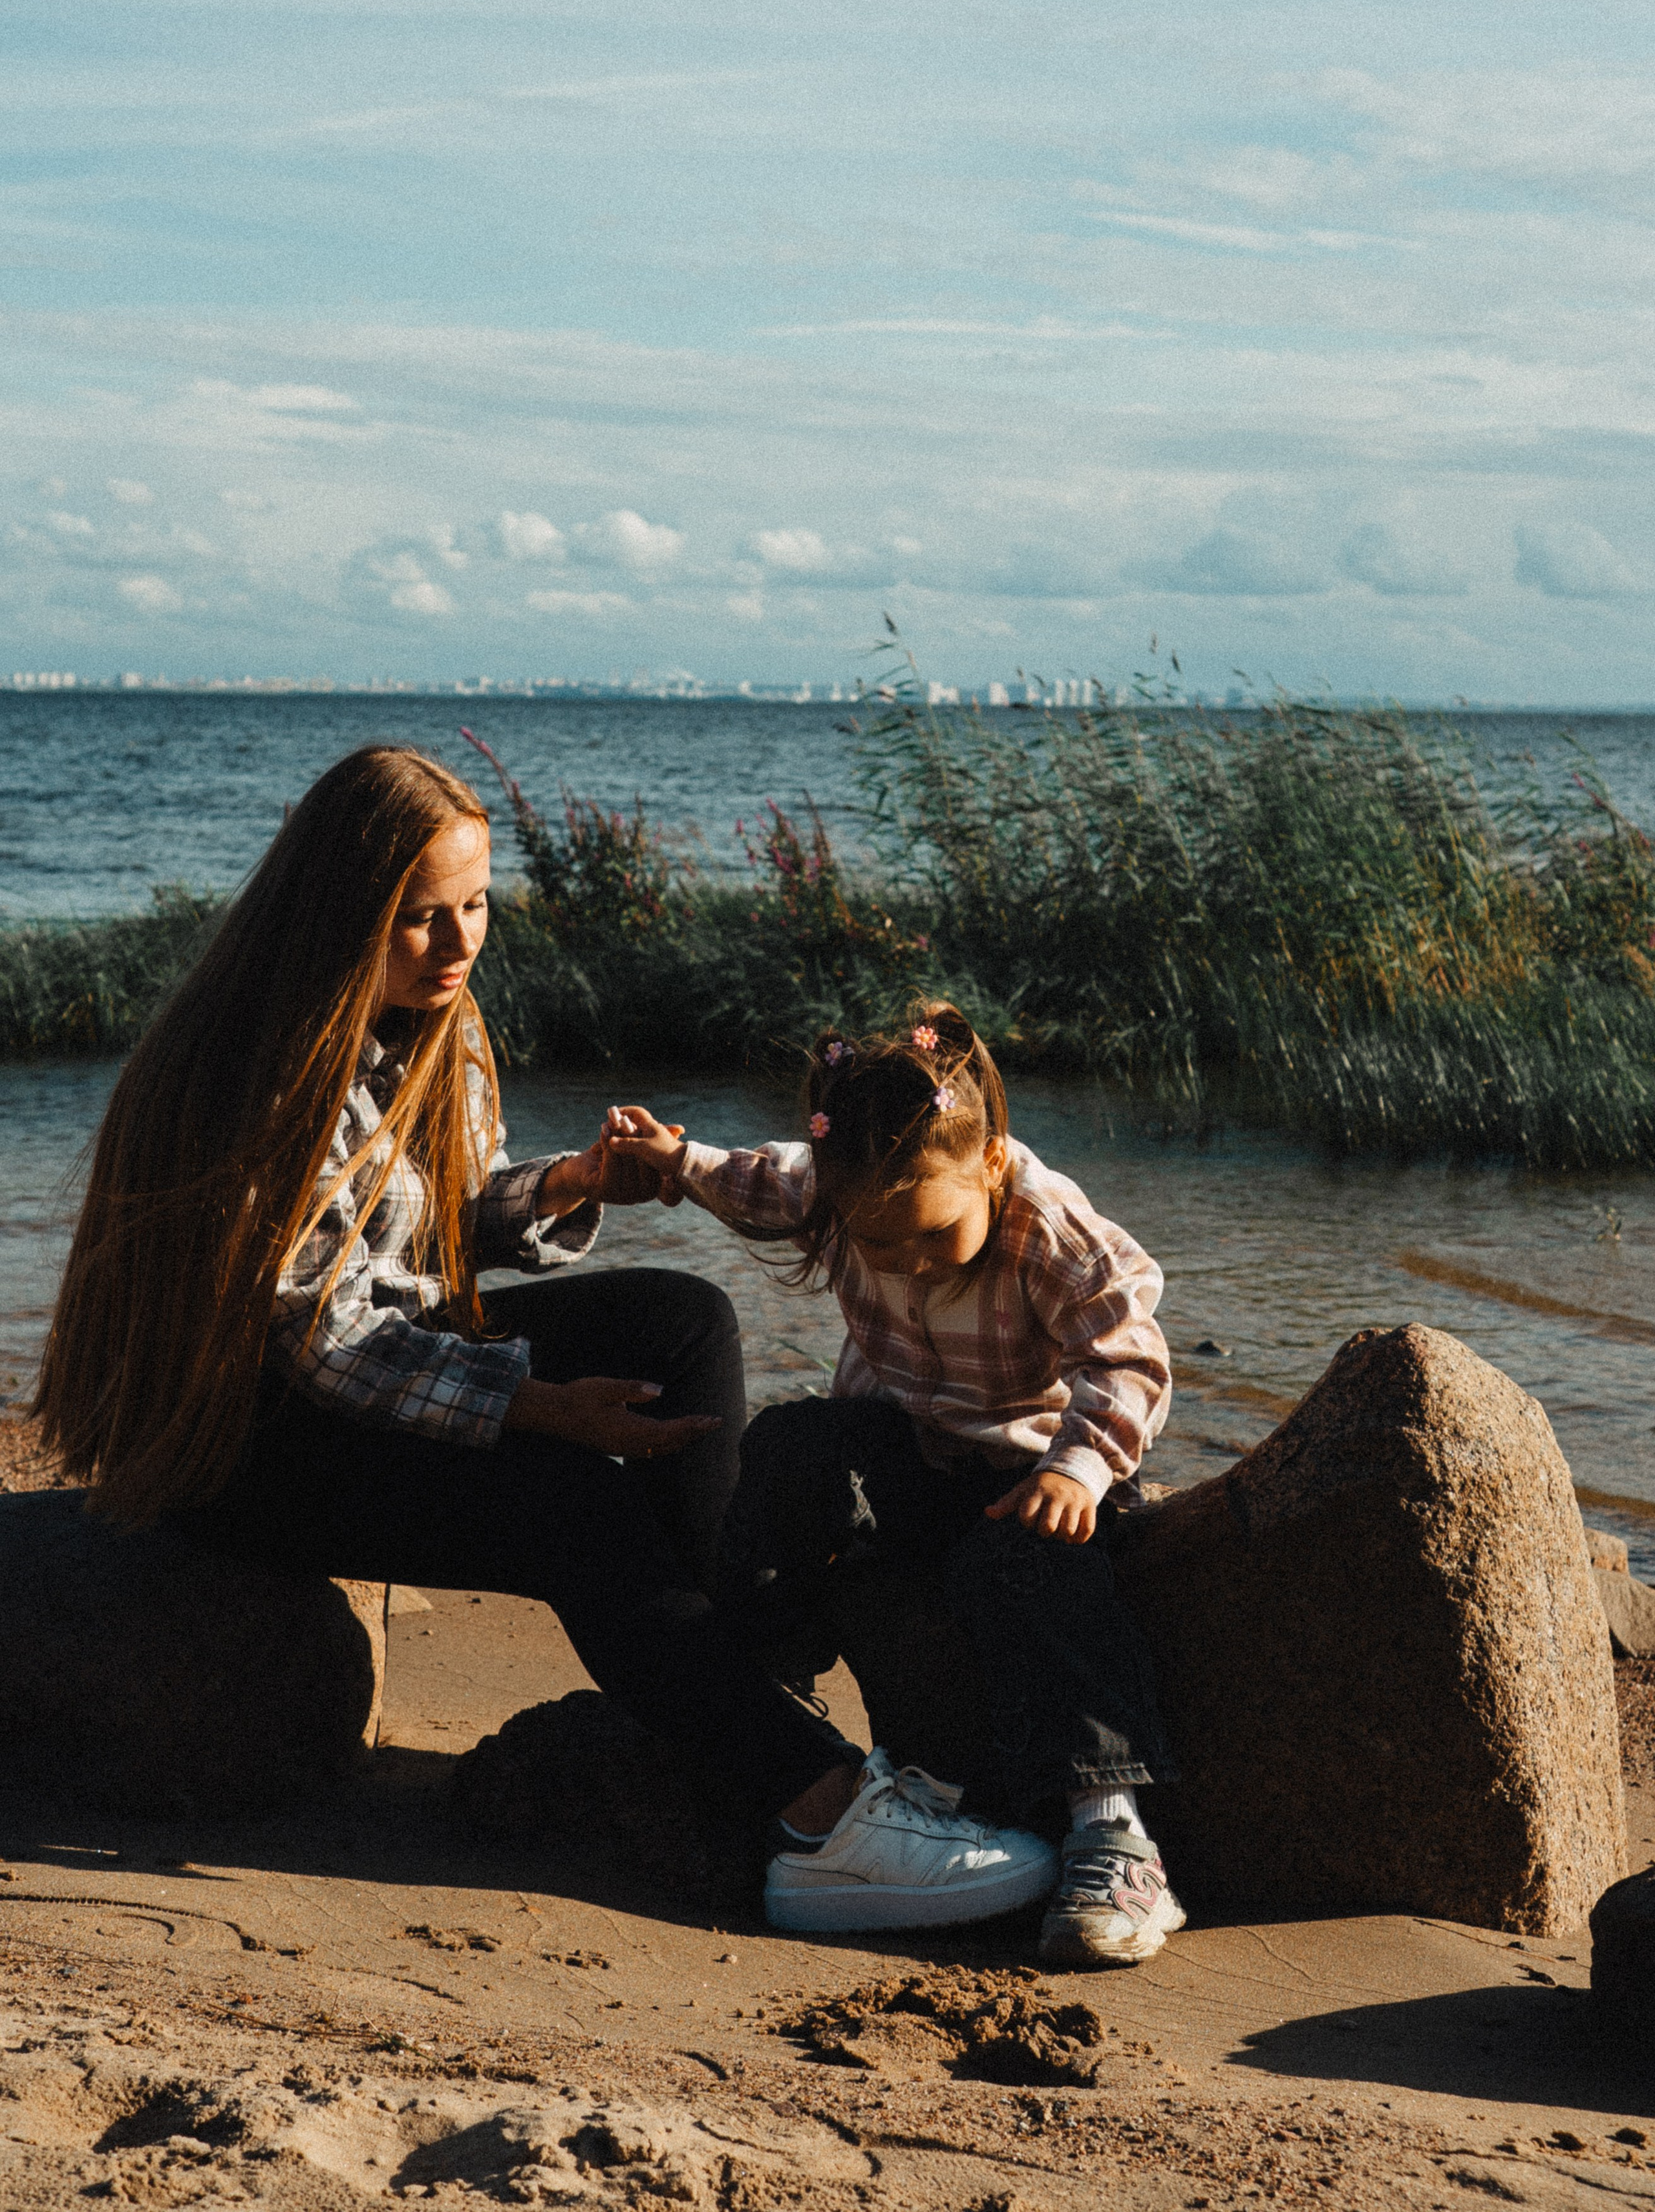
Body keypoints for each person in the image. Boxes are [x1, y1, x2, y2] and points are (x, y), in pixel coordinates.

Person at [33, 746, 1052, 1933]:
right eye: (422, 916)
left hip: (356, 1359)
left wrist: (572, 1184)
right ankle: (819, 1812)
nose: (459, 942)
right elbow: (325, 1337)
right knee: (565, 1495)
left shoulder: (431, 1022)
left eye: (475, 905)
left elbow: (427, 1228)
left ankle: (741, 1695)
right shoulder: (263, 1067)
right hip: (232, 1437)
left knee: (684, 1320)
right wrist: (534, 1404)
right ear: (341, 913)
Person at [603, 1001, 1184, 1965]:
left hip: (1030, 1476)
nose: (908, 1261)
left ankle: (1113, 1834)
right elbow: (765, 1182)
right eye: (878, 1244)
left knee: (1033, 1567)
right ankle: (763, 1680)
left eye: (932, 1235)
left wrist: (1079, 1467)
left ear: (990, 1164)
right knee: (788, 1443)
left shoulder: (1048, 1230)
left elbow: (1130, 1359)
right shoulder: (846, 1188)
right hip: (906, 1454)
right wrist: (677, 1160)